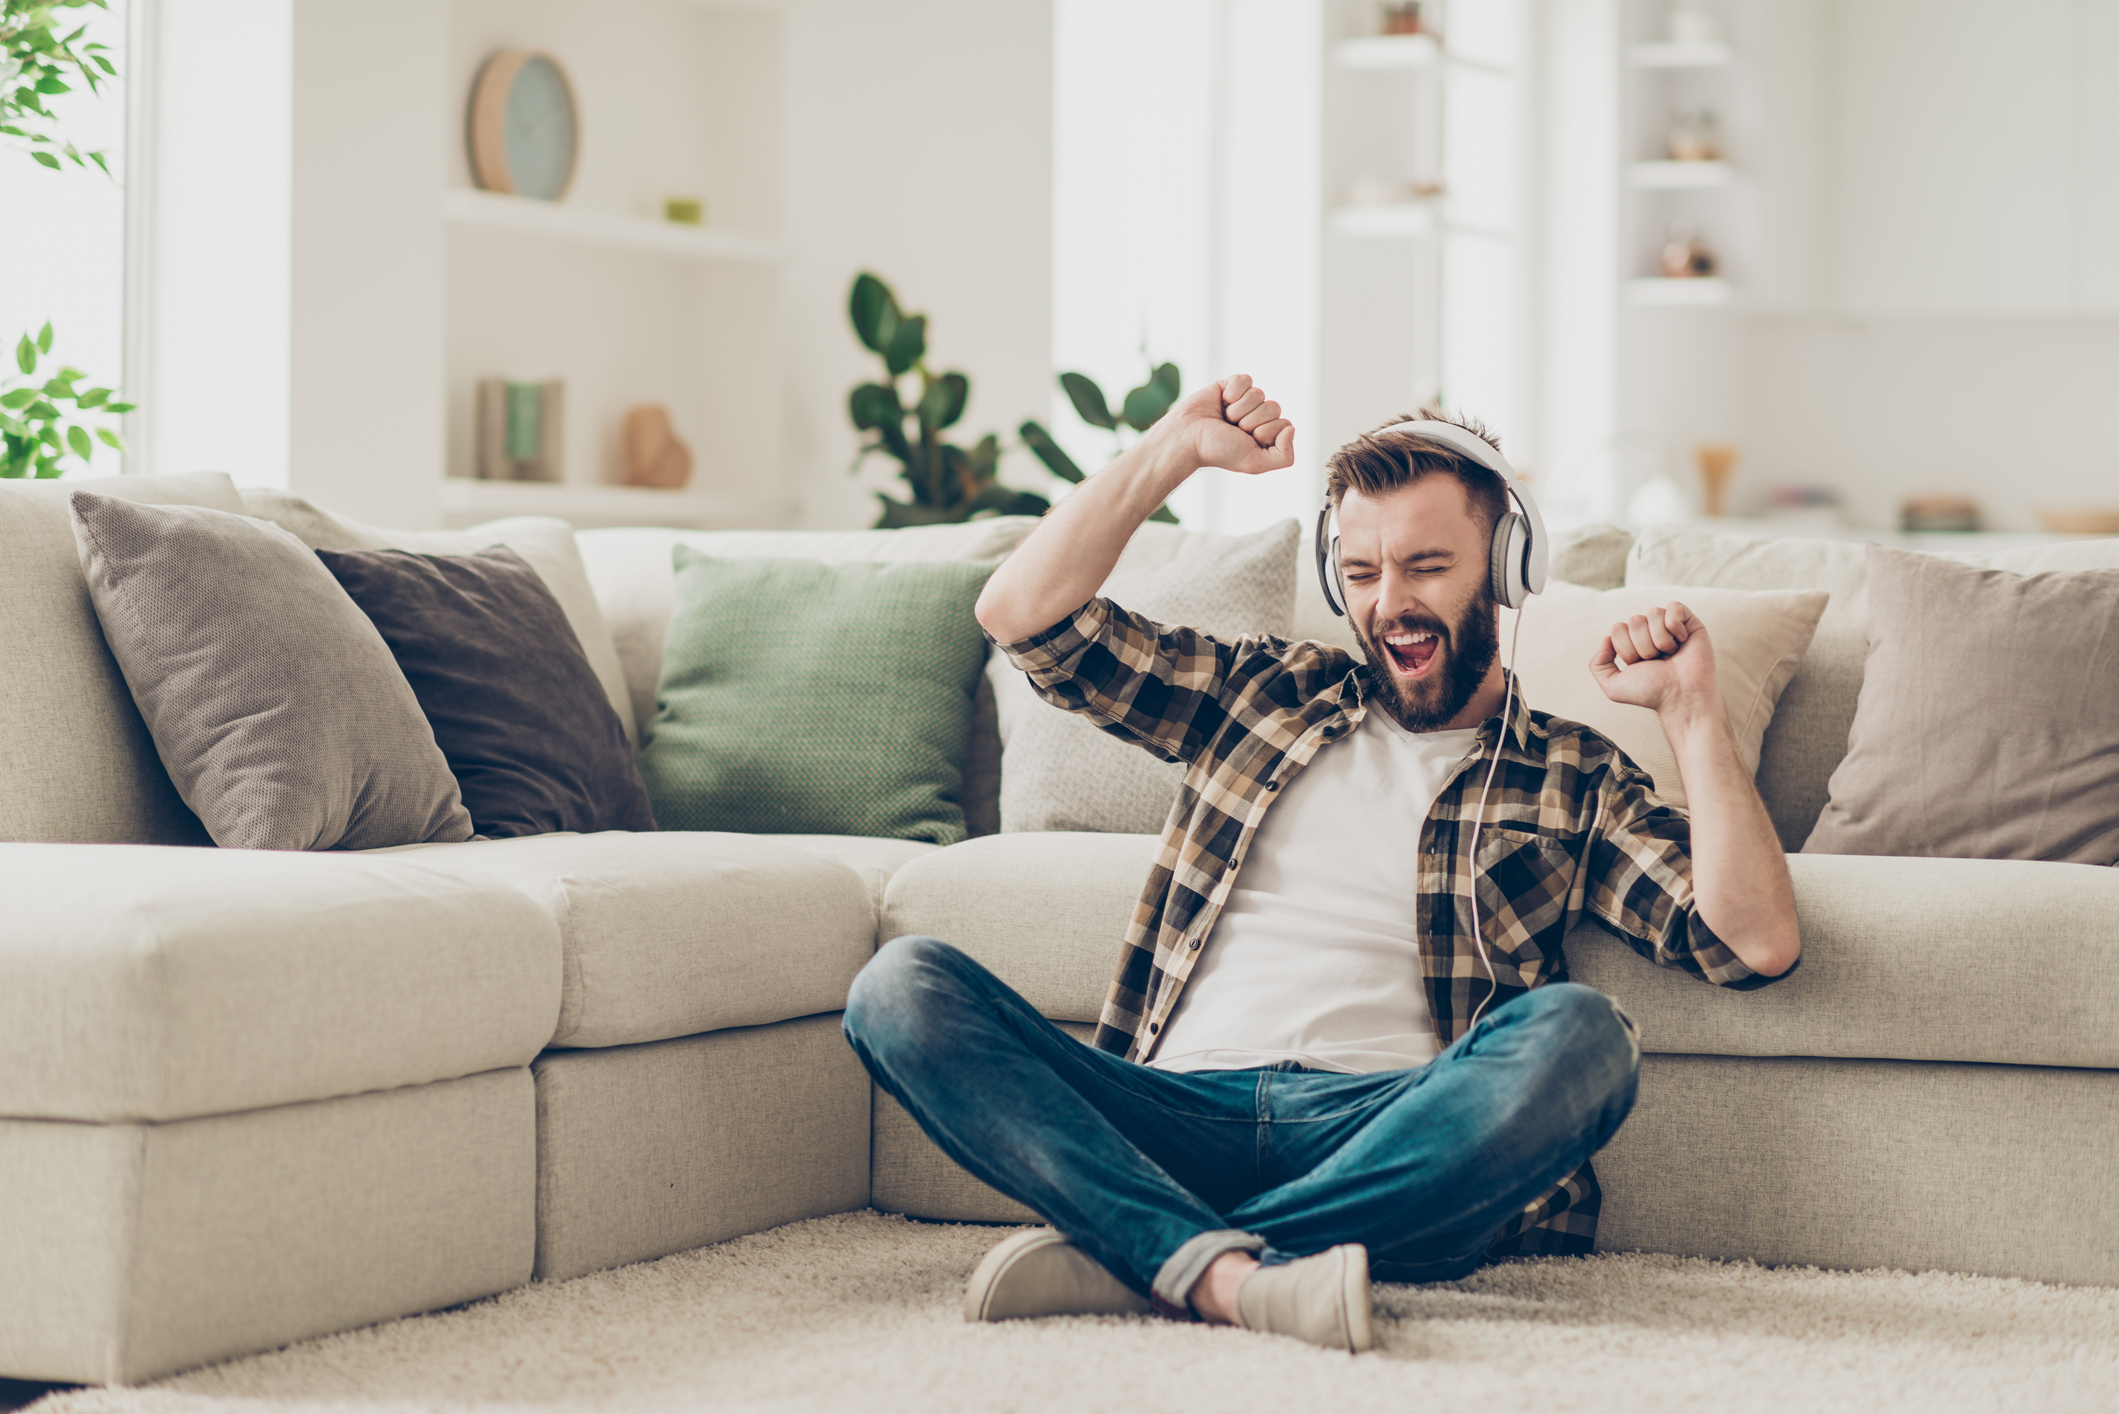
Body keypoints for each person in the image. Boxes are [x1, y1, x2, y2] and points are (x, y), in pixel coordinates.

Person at [841, 375, 1802, 1352]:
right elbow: (1021, 615)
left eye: (1427, 565)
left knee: (1584, 1038)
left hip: (1389, 1132)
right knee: (899, 985)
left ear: (1508, 566)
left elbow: (1752, 940)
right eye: (1362, 572)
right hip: (1171, 1115)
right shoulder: (1259, 690)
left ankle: (1150, 1255)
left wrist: (1690, 714)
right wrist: (1171, 447)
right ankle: (1234, 1270)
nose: (1391, 604)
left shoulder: (1568, 770)